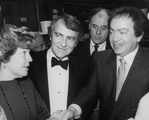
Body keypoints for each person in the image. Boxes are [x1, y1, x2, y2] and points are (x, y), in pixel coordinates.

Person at [50, 6, 149, 120]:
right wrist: (72, 110)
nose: (115, 39)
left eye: (122, 32)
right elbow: (89, 91)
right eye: (112, 32)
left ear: (139, 35)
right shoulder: (101, 58)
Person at [28, 13, 88, 117]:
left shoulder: (83, 67)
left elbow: (86, 100)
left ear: (76, 43)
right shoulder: (29, 63)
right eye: (59, 35)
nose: (63, 44)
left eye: (70, 38)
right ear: (50, 35)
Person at [0, 24, 50, 120]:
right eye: (24, 53)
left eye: (29, 53)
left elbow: (43, 115)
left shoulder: (27, 83)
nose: (30, 59)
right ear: (3, 54)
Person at [73, 7, 111, 71]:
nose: (98, 32)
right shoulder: (76, 48)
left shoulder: (115, 51)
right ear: (89, 26)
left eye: (103, 28)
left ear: (110, 29)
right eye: (95, 27)